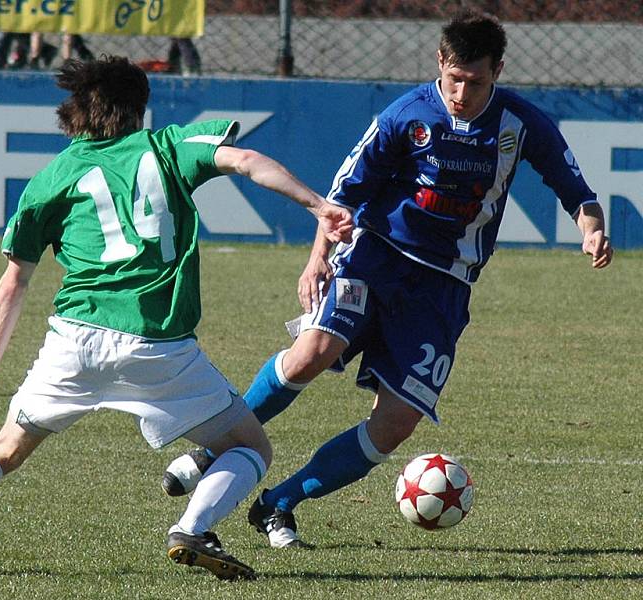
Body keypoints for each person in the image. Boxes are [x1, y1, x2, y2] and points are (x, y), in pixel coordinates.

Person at [0, 56, 353, 579]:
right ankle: (191, 527)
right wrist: (316, 205)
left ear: (71, 114)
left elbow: (15, 279)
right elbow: (247, 160)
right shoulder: (167, 146)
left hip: (73, 341)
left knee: (5, 448)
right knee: (250, 446)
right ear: (139, 108)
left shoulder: (52, 178)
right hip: (156, 346)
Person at [161, 9, 614, 549]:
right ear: (440, 63)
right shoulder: (407, 114)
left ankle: (278, 503)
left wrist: (592, 229)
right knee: (313, 352)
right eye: (454, 79)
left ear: (497, 71)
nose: (462, 93)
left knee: (397, 422)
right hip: (375, 255)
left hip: (445, 284)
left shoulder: (521, 122)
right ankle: (213, 447)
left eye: (476, 81)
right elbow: (344, 192)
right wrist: (316, 259)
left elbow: (574, 186)